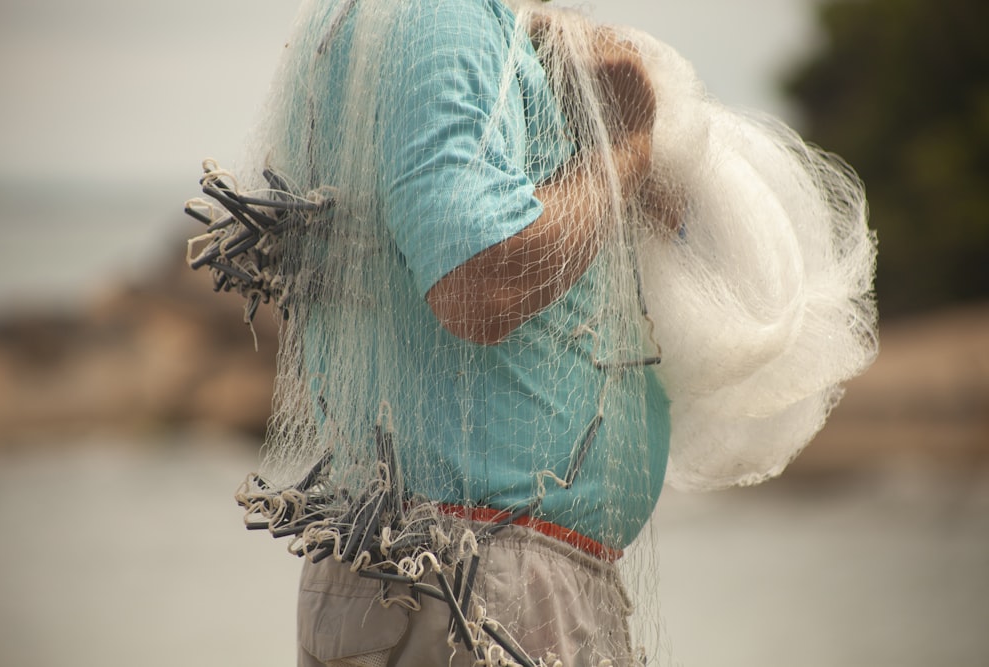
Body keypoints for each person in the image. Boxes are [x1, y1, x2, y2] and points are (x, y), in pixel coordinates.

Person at [189, 0, 877, 664]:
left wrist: (632, 153)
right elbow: (480, 281)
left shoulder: (467, 27)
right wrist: (624, 148)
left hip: (485, 574)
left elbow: (634, 230)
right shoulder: (439, 17)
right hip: (464, 577)